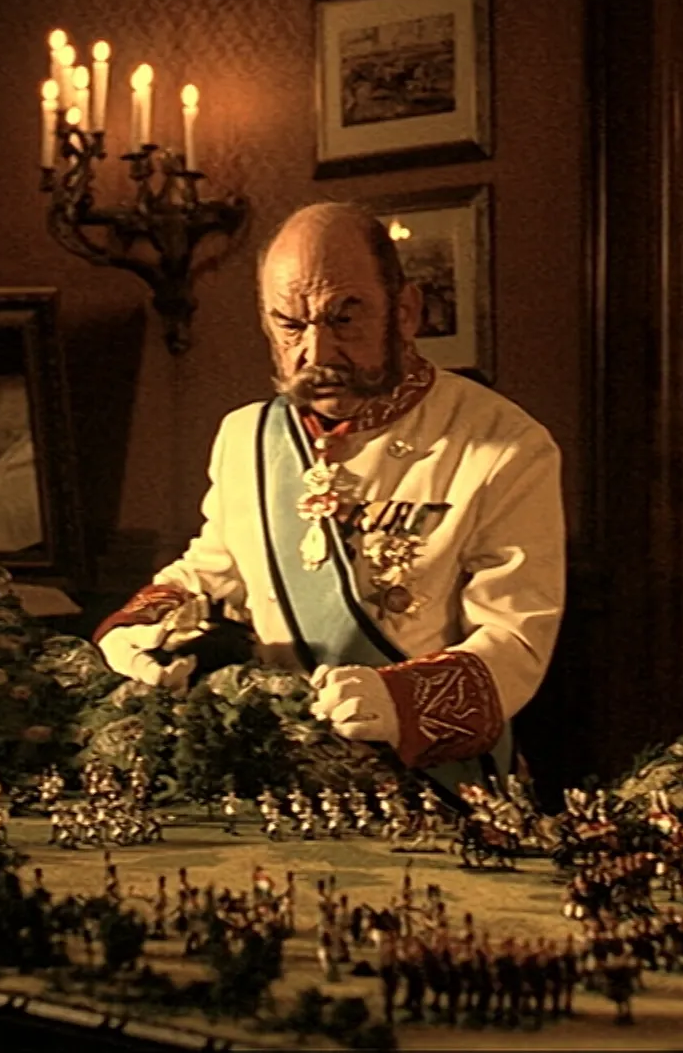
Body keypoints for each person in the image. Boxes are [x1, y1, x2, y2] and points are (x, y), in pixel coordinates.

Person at [94, 201, 565, 795]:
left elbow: (516, 640)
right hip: (274, 778)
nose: (317, 354)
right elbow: (214, 570)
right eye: (290, 325)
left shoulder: (504, 446)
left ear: (406, 311)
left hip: (434, 789)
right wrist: (146, 622)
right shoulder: (246, 437)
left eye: (345, 318)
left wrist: (398, 703)